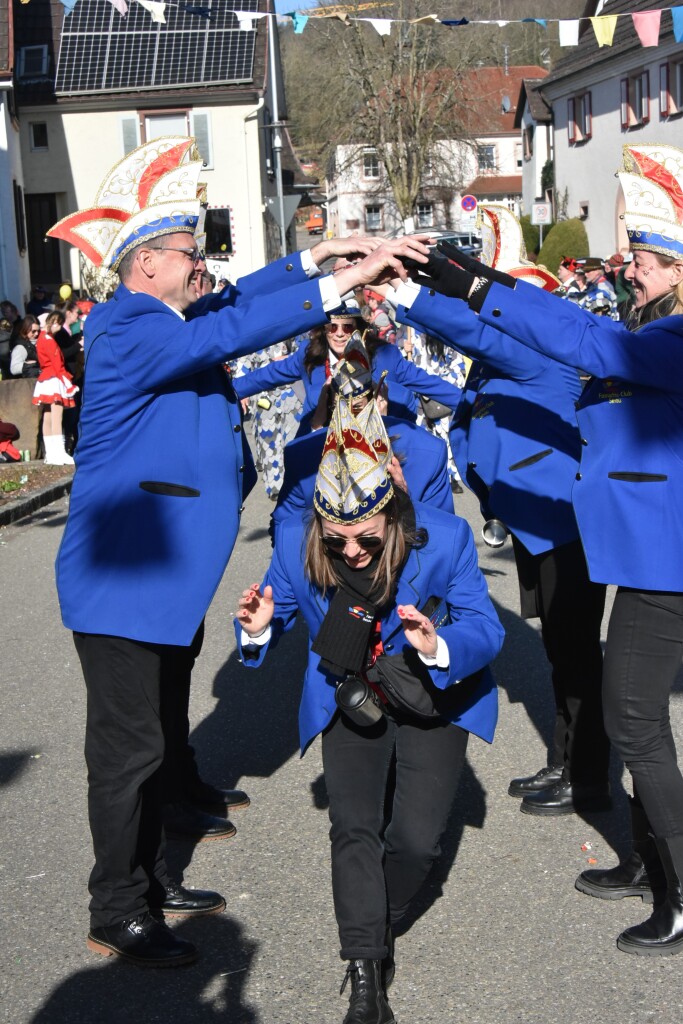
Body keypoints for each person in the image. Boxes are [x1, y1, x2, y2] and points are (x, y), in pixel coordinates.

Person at [46, 135, 433, 968]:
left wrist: (316, 258)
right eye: (190, 253)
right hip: (125, 583)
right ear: (146, 262)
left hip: (160, 582)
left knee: (151, 737)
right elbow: (224, 330)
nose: (202, 265)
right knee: (128, 751)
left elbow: (230, 313)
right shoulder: (127, 325)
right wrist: (340, 280)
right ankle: (118, 904)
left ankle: (149, 874)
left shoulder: (162, 318)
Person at [399, 142, 683, 957]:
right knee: (632, 721)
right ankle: (647, 863)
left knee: (631, 721)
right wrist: (434, 291)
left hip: (665, 566)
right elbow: (578, 336)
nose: (627, 270)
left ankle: (676, 884)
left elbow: (583, 346)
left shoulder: (670, 339)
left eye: (641, 260)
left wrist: (481, 286)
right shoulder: (649, 327)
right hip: (641, 559)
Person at [237, 388, 503, 1023]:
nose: (350, 553)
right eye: (337, 542)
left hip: (428, 697)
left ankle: (373, 921)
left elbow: (486, 629)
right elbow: (269, 615)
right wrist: (257, 626)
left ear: (394, 514)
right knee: (353, 827)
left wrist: (440, 643)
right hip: (347, 694)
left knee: (414, 843)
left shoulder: (446, 540)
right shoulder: (302, 550)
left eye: (364, 540)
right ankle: (364, 971)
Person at [390, 216, 610, 816]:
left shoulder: (537, 353)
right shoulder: (509, 362)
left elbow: (475, 333)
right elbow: (475, 402)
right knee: (560, 650)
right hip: (535, 528)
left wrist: (407, 295)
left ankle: (588, 774)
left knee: (576, 652)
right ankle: (566, 759)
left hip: (561, 524)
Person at [271, 334, 454, 537]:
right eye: (342, 408)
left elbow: (443, 533)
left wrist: (403, 500)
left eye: (359, 407)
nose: (351, 418)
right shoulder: (302, 456)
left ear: (377, 401)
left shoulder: (427, 455)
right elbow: (283, 530)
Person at [233, 302, 463, 433]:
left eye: (347, 327)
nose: (340, 333)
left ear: (360, 329)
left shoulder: (386, 356)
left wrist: (474, 406)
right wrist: (224, 392)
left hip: (373, 445)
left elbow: (431, 385)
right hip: (321, 446)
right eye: (333, 327)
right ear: (323, 330)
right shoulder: (310, 355)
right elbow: (264, 378)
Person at [32, 311, 78, 466]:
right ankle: (59, 452)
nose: (59, 330)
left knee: (48, 416)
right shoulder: (49, 340)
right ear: (55, 322)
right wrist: (68, 383)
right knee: (56, 416)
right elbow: (57, 364)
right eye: (59, 325)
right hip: (54, 378)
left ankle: (51, 453)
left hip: (45, 378)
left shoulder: (41, 339)